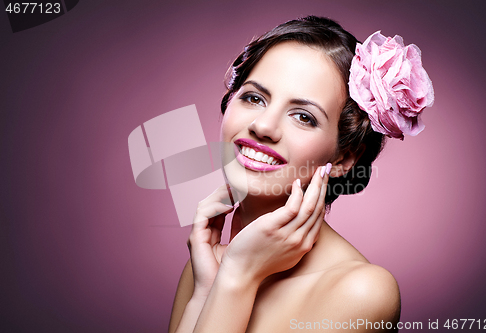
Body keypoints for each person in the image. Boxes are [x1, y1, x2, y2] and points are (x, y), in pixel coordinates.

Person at [168, 15, 433, 333]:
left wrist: (238, 276)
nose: (263, 126)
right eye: (254, 98)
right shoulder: (205, 265)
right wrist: (205, 291)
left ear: (344, 156)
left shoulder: (360, 291)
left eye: (303, 117)